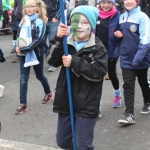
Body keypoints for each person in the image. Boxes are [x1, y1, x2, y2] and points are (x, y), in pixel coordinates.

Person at [46, 5, 108, 150]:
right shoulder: (66, 42)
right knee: (62, 141)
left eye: (84, 23)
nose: (79, 26)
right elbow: (50, 59)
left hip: (86, 104)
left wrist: (74, 61)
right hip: (66, 101)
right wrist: (58, 38)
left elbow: (98, 73)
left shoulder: (98, 47)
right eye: (75, 22)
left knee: (83, 145)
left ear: (91, 25)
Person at [114, 0, 150, 124]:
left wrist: (138, 58)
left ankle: (148, 102)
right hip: (126, 58)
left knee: (143, 82)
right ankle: (129, 114)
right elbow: (122, 36)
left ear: (137, 2)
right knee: (128, 85)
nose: (128, 2)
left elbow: (145, 39)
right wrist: (118, 35)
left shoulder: (143, 17)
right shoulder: (122, 17)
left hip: (140, 59)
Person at [15, 0, 53, 115]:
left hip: (37, 54)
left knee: (40, 76)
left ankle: (48, 92)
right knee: (23, 78)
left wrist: (24, 49)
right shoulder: (23, 21)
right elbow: (18, 36)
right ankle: (23, 103)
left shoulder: (40, 21)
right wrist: (18, 47)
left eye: (32, 6)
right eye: (27, 7)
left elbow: (39, 40)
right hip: (24, 54)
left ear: (37, 7)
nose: (29, 9)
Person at [95, 0, 121, 118]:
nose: (106, 5)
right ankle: (97, 106)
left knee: (111, 74)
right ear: (99, 3)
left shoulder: (117, 16)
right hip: (97, 52)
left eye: (109, 2)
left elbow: (122, 31)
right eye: (103, 2)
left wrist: (120, 32)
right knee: (98, 77)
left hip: (111, 51)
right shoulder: (95, 14)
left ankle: (117, 95)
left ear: (113, 4)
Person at [43, 0, 62, 72]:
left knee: (53, 41)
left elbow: (62, 5)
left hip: (53, 21)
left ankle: (52, 64)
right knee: (41, 41)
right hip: (43, 20)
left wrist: (57, 17)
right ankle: (48, 56)